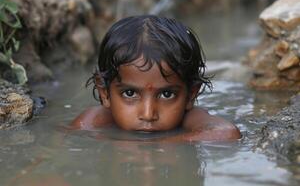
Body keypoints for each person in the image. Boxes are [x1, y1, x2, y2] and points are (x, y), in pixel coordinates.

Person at [71, 15, 241, 142]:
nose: (148, 114)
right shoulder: (95, 121)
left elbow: (226, 132)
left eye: (167, 95)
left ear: (191, 95)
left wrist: (163, 144)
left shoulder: (189, 119)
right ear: (105, 93)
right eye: (130, 93)